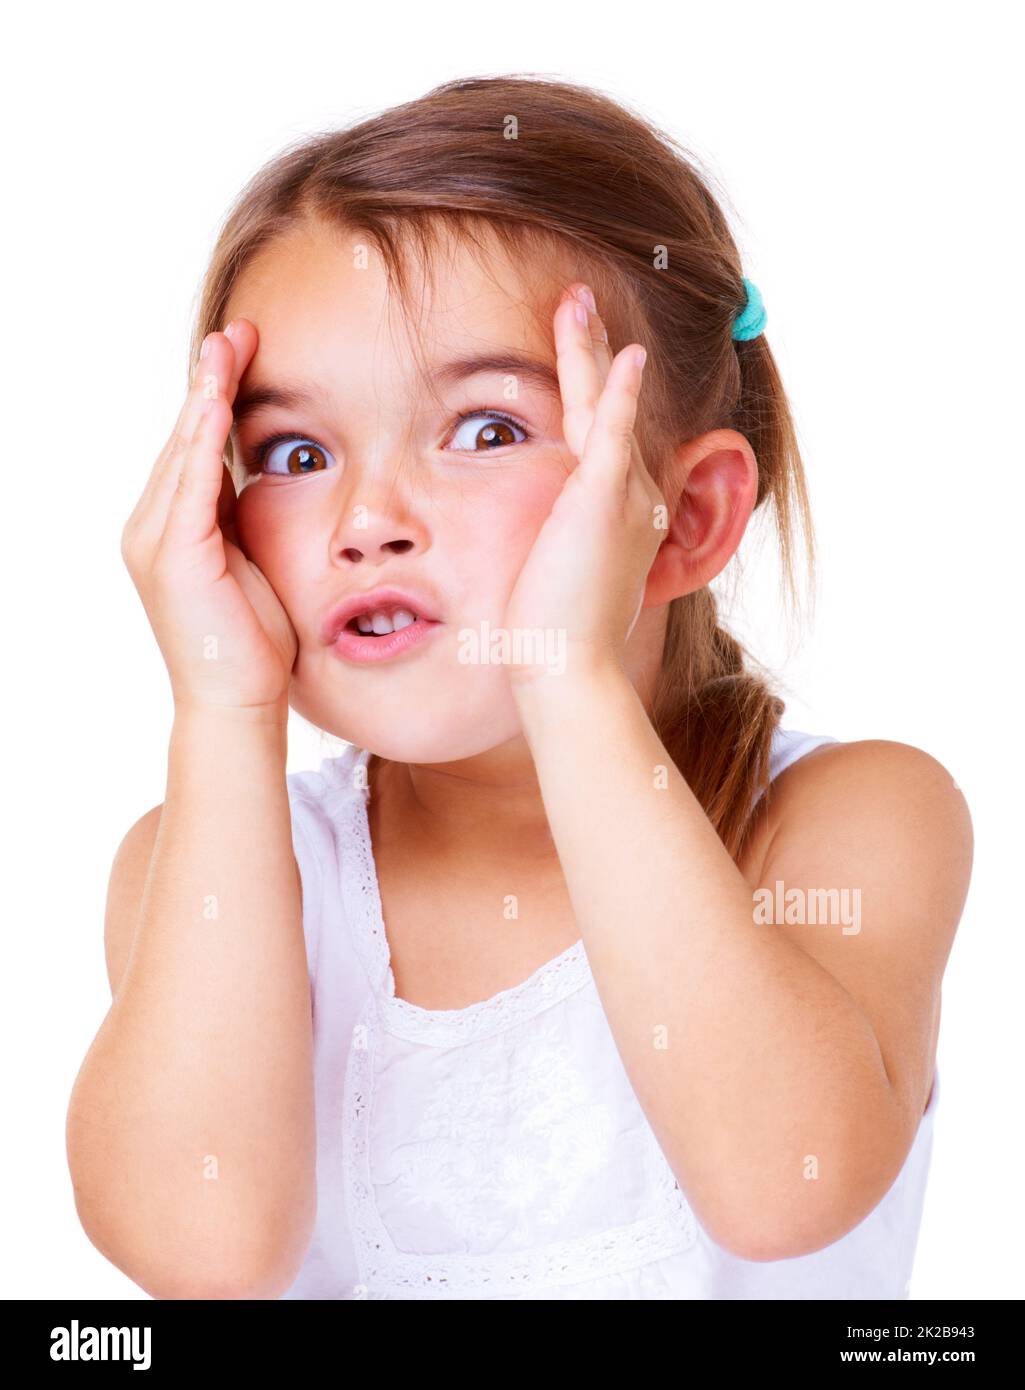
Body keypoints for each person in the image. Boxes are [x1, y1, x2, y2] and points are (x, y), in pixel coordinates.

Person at [66, 75, 973, 1300]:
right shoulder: (207, 865)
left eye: (484, 429)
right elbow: (201, 1258)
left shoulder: (848, 819)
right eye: (295, 452)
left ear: (683, 518)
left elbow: (782, 1188)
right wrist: (223, 713)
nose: (364, 520)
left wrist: (567, 674)